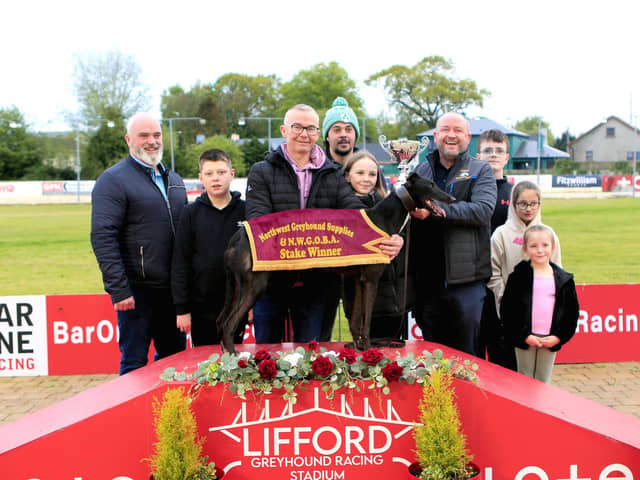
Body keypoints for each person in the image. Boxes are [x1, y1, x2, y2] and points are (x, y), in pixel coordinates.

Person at [245, 104, 401, 344]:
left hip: (315, 282)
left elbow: (356, 216)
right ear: (284, 130)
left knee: (311, 354)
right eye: (297, 127)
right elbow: (258, 222)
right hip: (271, 282)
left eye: (310, 128)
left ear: (318, 134)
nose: (303, 134)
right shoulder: (262, 171)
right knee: (267, 353)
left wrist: (390, 236)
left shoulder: (334, 173)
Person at [91, 112, 187, 375]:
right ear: (128, 139)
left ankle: (169, 416)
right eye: (143, 135)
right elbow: (103, 236)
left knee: (174, 362)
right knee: (134, 363)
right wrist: (119, 290)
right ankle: (131, 417)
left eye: (156, 135)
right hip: (137, 292)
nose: (152, 141)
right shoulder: (112, 181)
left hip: (172, 292)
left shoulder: (174, 180)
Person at [409, 111, 497, 357]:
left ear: (468, 138)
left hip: (465, 282)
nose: (451, 135)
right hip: (427, 283)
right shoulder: (420, 171)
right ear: (436, 136)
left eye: (458, 130)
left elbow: (482, 211)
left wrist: (438, 211)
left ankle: (469, 398)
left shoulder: (481, 170)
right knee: (433, 358)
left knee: (467, 357)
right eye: (445, 129)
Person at [171, 149, 246, 347]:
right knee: (206, 363)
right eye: (209, 173)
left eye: (221, 172)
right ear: (200, 178)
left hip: (236, 304)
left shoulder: (246, 211)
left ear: (232, 174)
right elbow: (180, 262)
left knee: (236, 362)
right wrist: (182, 309)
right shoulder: (190, 213)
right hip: (201, 305)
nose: (216, 178)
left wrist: (251, 304)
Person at [341, 151, 412, 342]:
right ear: (347, 175)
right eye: (360, 173)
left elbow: (404, 233)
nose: (367, 179)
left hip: (392, 297)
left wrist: (400, 240)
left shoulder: (389, 205)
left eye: (372, 174)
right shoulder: (341, 209)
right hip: (360, 297)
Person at [500, 224, 579, 383]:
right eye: (534, 246)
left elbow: (571, 313)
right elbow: (508, 310)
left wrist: (558, 337)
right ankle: (524, 408)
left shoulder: (564, 280)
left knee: (543, 381)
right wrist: (524, 335)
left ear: (553, 247)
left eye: (545, 245)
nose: (540, 250)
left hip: (549, 339)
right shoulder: (518, 277)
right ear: (525, 249)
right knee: (524, 378)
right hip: (525, 339)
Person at [488, 181, 562, 315]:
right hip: (511, 309)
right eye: (523, 204)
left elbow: (557, 270)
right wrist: (504, 296)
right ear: (514, 204)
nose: (528, 209)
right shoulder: (501, 234)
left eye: (533, 203)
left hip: (543, 306)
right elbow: (492, 272)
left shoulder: (548, 234)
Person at [476, 129, 515, 368]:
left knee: (503, 347)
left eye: (499, 150)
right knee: (476, 346)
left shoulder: (514, 194)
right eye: (488, 150)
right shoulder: (471, 192)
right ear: (478, 155)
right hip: (475, 278)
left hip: (503, 280)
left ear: (507, 157)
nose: (493, 155)